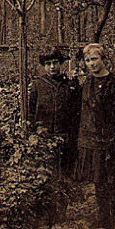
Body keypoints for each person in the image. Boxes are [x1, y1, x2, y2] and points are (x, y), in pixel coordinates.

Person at [75, 43, 115, 229]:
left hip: (112, 142)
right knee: (99, 182)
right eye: (88, 60)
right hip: (93, 141)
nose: (91, 64)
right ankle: (104, 222)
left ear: (103, 59)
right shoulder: (86, 85)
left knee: (113, 184)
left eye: (94, 59)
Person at [28, 47, 82, 178]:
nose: (52, 66)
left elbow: (77, 111)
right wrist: (34, 130)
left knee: (66, 173)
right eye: (48, 64)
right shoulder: (38, 85)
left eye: (55, 63)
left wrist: (75, 85)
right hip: (44, 136)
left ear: (61, 63)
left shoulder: (68, 85)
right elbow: (31, 111)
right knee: (46, 173)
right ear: (43, 65)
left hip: (66, 137)